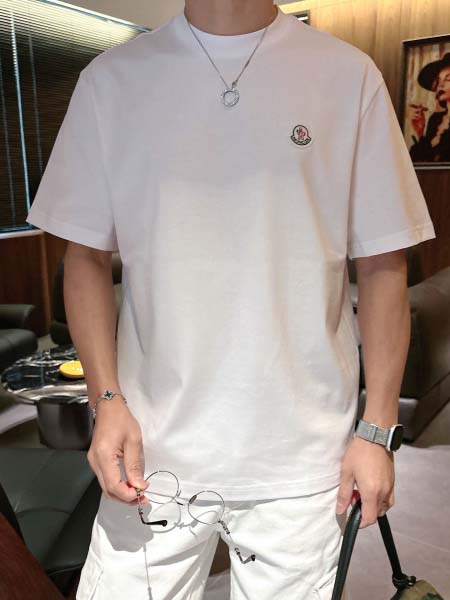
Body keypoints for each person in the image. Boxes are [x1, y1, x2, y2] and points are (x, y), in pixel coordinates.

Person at [26, 1, 436, 598]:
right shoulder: (111, 80)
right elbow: (84, 256)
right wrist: (105, 400)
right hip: (151, 447)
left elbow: (381, 264)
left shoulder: (347, 75)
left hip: (302, 458)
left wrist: (377, 431)